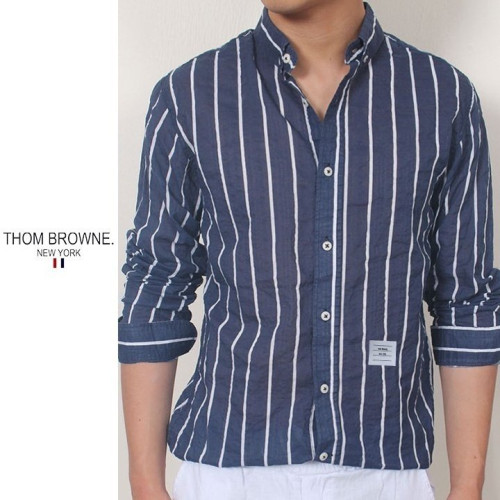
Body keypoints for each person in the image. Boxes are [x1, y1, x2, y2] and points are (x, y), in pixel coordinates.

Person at [118, 1, 500, 499]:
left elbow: (467, 299)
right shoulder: (190, 93)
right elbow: (156, 281)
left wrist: (468, 486)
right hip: (228, 470)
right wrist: (145, 484)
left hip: (385, 471)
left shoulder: (442, 96)